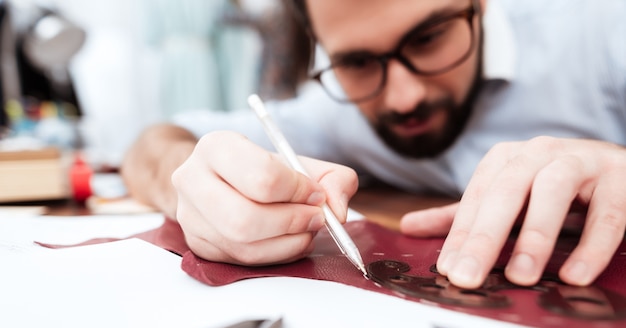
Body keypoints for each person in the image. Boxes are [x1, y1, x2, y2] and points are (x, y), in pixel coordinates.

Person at [121, 0, 626, 290]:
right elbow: (154, 141)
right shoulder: (339, 109)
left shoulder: (602, 34)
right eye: (359, 61)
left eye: (428, 38)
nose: (404, 98)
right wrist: (188, 183)